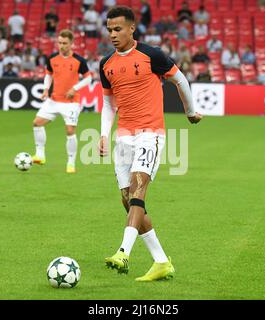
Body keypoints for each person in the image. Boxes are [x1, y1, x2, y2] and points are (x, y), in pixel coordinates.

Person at [99, 6, 201, 281]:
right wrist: (103, 134)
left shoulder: (151, 55)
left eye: (118, 29)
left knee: (138, 189)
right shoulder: (106, 64)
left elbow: (179, 79)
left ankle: (123, 252)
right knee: (128, 199)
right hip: (124, 136)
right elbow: (109, 103)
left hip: (151, 133)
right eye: (109, 29)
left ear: (132, 28)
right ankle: (161, 261)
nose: (112, 34)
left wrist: (190, 112)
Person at [32, 29, 92, 173]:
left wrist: (75, 88)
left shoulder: (79, 60)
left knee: (70, 130)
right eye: (59, 43)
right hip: (54, 100)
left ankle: (71, 163)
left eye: (65, 43)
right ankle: (40, 155)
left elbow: (88, 78)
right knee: (37, 123)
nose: (61, 46)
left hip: (71, 102)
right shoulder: (52, 58)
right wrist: (46, 89)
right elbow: (48, 74)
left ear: (71, 43)